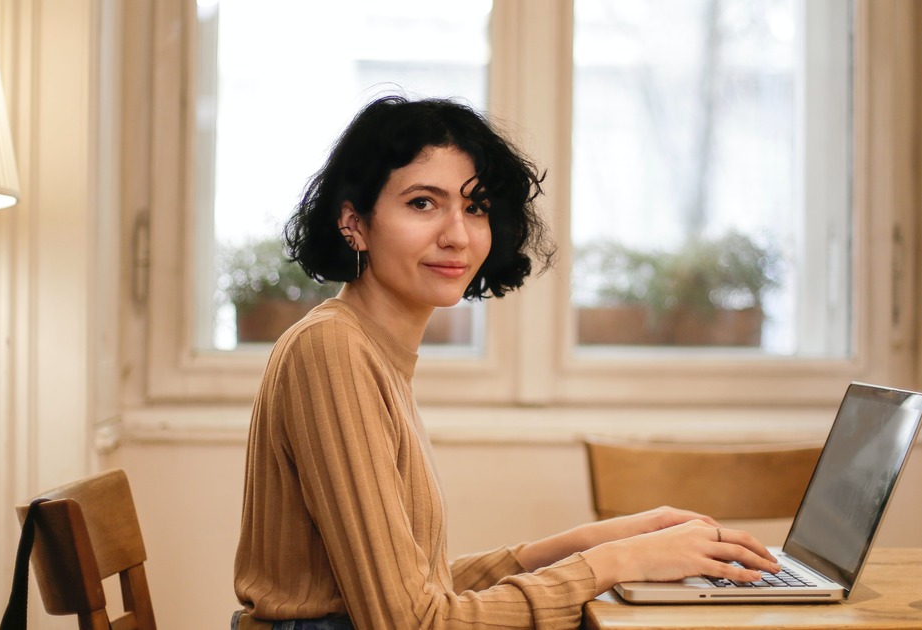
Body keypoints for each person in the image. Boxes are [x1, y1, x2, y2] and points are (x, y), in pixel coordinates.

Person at [231, 95, 780, 630]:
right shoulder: (333, 352)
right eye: (423, 203)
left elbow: (414, 591)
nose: (457, 234)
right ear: (353, 222)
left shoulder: (367, 348)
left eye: (476, 207)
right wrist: (620, 565)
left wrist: (598, 541)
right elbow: (412, 622)